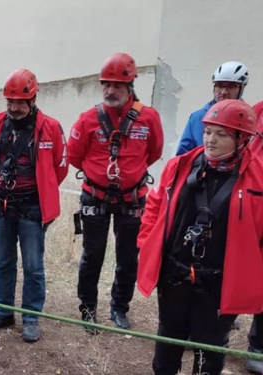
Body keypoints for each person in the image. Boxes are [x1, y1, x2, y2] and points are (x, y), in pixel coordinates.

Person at [137, 99, 263, 375]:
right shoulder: (181, 165)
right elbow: (154, 207)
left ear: (241, 139)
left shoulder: (258, 179)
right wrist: (145, 244)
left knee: (209, 354)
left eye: (221, 134)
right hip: (175, 275)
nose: (211, 140)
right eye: (208, 131)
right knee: (166, 349)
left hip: (219, 282)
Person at [68, 52, 164, 332]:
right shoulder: (88, 119)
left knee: (127, 257)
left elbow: (154, 151)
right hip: (95, 197)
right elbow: (74, 155)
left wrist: (130, 175)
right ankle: (88, 310)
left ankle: (119, 308)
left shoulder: (149, 118)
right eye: (106, 84)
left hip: (133, 198)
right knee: (92, 255)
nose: (110, 91)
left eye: (117, 86)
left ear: (130, 86)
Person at [0, 69, 68, 342]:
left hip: (32, 207)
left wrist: (43, 191)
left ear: (33, 100)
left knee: (33, 266)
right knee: (3, 262)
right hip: (1, 205)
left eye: (19, 103)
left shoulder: (49, 127)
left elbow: (60, 167)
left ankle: (30, 318)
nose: (14, 108)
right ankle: (3, 312)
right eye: (9, 102)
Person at [176, 61, 249, 155]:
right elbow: (183, 156)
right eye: (219, 86)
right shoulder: (197, 117)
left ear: (241, 89)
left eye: (231, 87)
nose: (223, 92)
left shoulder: (249, 119)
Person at [244, 100, 263, 374]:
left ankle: (258, 346)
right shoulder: (257, 110)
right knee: (231, 268)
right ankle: (208, 333)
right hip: (250, 200)